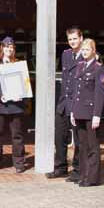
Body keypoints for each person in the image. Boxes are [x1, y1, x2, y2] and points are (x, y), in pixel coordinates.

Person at [46, 27, 83, 181]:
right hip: (64, 102)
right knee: (59, 136)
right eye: (70, 39)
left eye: (75, 38)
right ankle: (60, 167)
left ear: (81, 38)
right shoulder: (66, 54)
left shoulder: (88, 54)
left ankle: (77, 170)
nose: (72, 42)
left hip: (78, 103)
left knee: (79, 139)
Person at [0, 36, 26, 173]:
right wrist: (0, 96)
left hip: (16, 106)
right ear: (2, 48)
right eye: (6, 47)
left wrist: (21, 95)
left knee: (17, 135)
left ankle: (19, 162)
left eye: (11, 47)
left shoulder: (19, 65)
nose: (9, 49)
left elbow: (25, 84)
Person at [70, 38, 104, 187]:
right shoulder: (80, 66)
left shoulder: (98, 68)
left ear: (93, 51)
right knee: (82, 146)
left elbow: (99, 93)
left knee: (93, 146)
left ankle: (92, 178)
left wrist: (97, 114)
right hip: (79, 111)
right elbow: (76, 91)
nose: (84, 52)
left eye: (87, 50)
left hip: (91, 112)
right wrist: (73, 111)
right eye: (83, 50)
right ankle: (83, 175)